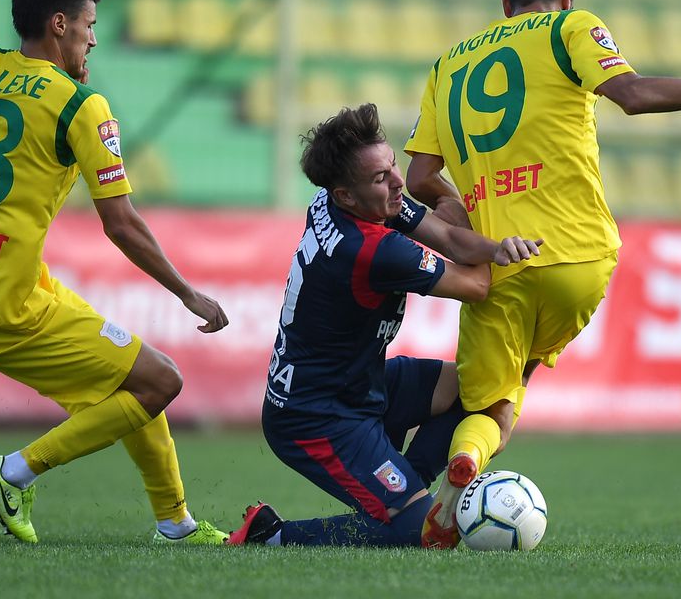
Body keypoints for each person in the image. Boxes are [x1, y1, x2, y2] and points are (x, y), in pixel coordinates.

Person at [404, 0, 681, 548]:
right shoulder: (572, 27)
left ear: (506, 4)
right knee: (516, 386)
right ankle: (454, 488)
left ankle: (457, 470)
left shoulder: (447, 65)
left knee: (491, 408)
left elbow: (419, 178)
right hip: (579, 255)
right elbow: (634, 95)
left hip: (495, 263)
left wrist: (456, 206)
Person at [0, 0, 230, 545]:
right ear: (59, 24)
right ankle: (14, 472)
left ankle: (175, 523)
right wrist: (188, 293)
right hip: (6, 308)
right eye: (88, 26)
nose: (93, 40)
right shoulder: (81, 107)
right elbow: (121, 223)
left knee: (136, 383)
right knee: (162, 381)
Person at [227, 104, 541, 547]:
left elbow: (450, 237)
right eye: (381, 177)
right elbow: (476, 284)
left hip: (357, 384)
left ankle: (404, 496)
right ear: (346, 195)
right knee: (416, 531)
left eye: (394, 165)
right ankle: (269, 535)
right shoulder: (372, 249)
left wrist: (483, 237)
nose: (398, 182)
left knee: (477, 388)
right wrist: (481, 225)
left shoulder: (347, 203)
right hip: (316, 418)